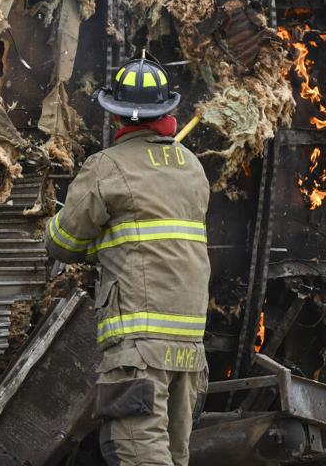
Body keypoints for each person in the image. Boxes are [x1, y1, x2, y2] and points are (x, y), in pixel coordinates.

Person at [44, 56, 210, 466]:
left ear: (115, 114)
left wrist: (57, 226)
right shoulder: (192, 167)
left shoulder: (107, 166)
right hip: (189, 351)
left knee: (139, 456)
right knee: (173, 456)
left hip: (138, 350)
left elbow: (64, 241)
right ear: (167, 110)